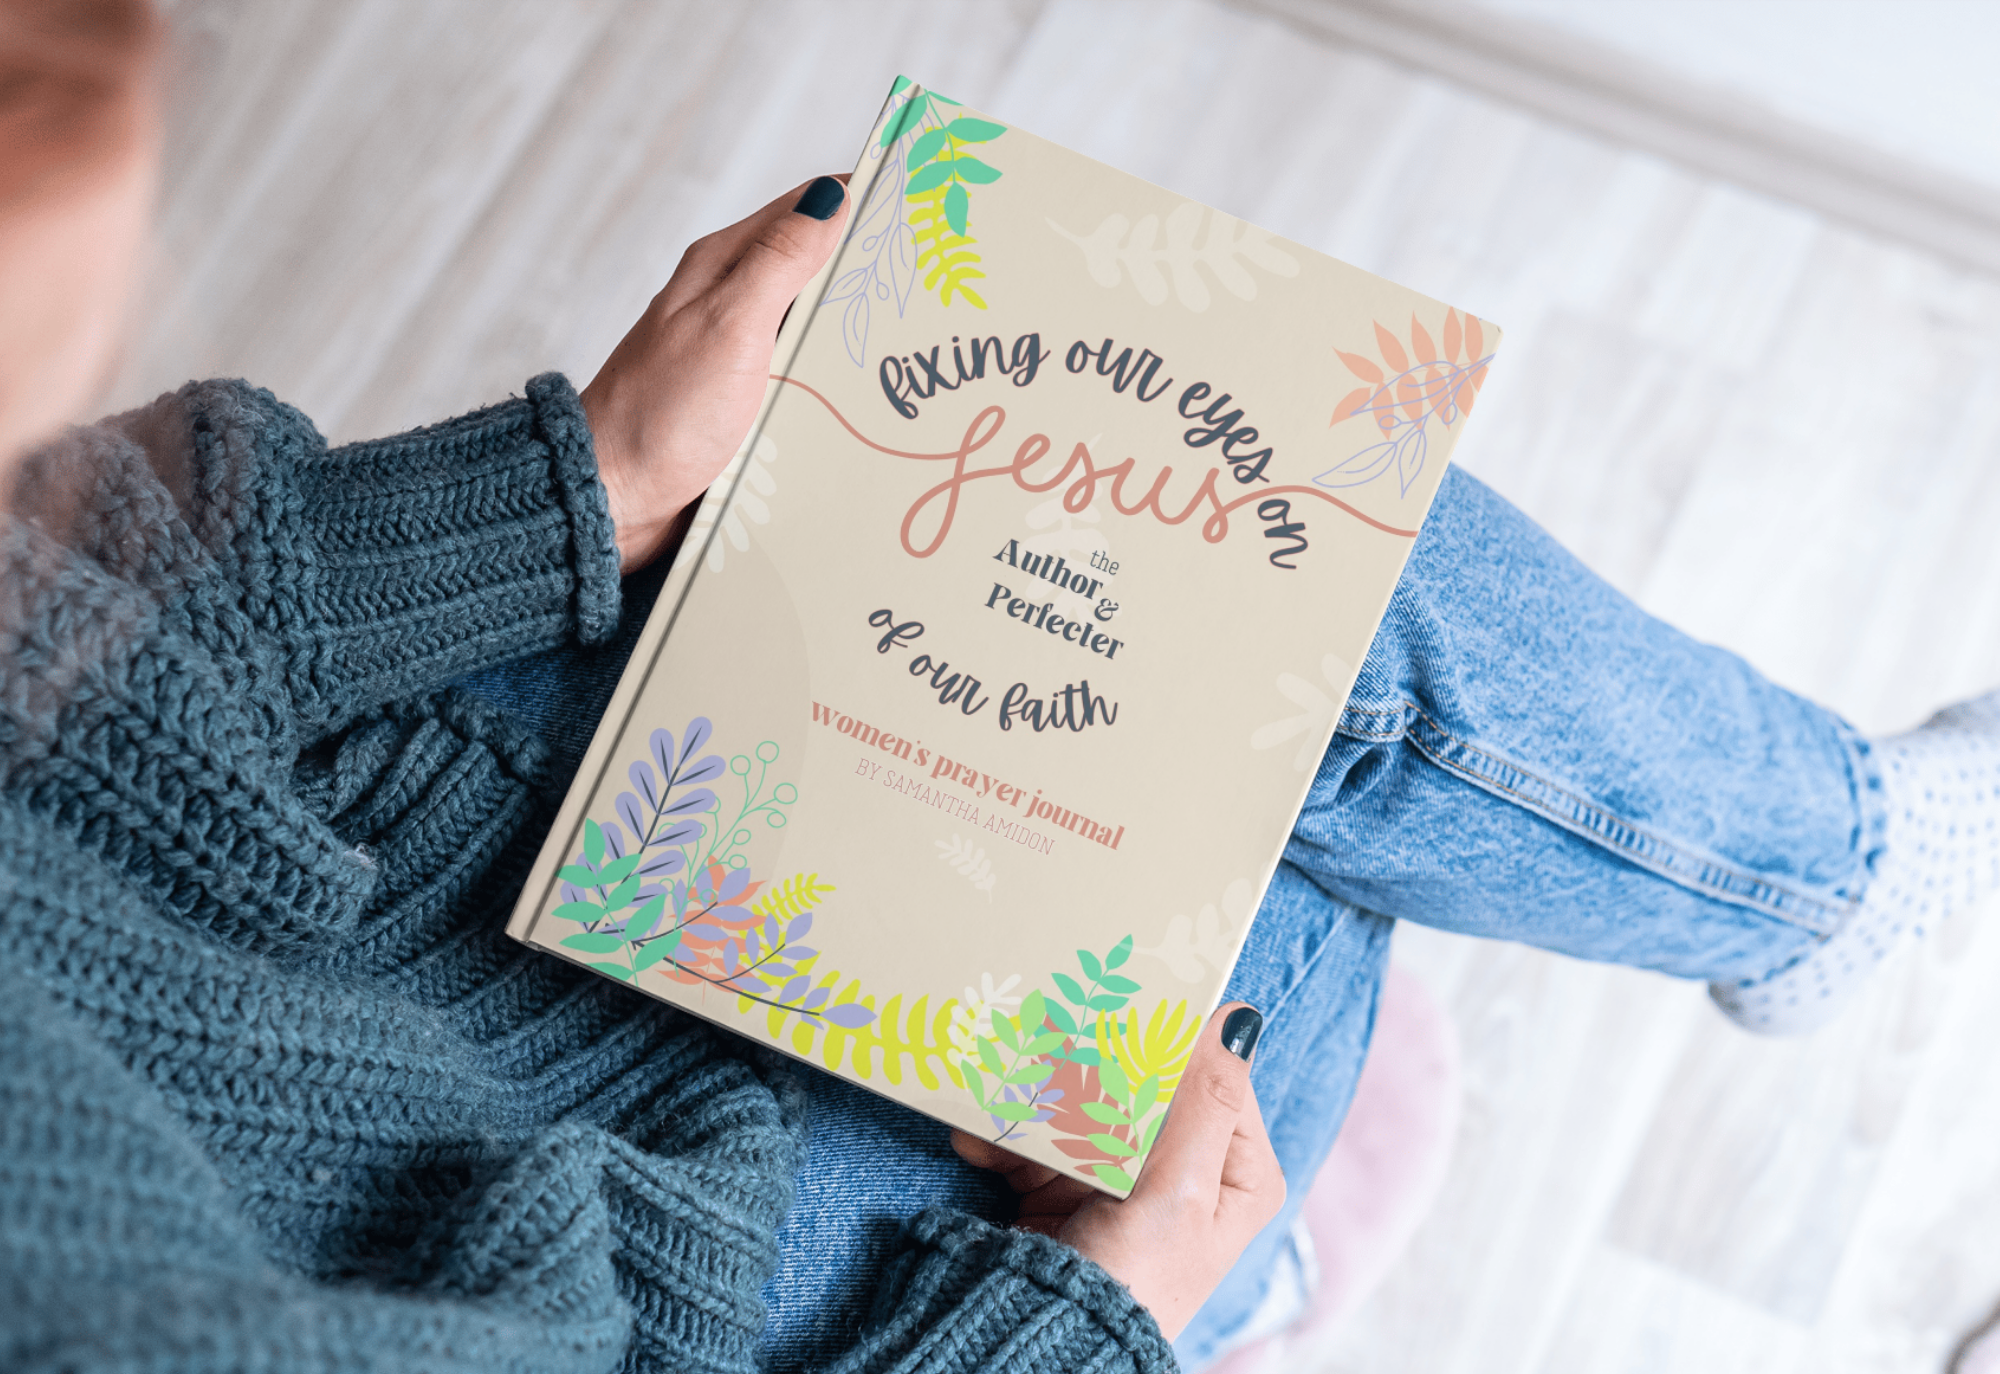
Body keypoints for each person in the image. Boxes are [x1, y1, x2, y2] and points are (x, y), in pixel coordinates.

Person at [6, 3, 2000, 1371]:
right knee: (1268, 902)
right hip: (649, 1281)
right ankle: (1259, 1266)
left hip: (364, 855)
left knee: (1210, 515)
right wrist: (1075, 1309)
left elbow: (76, 646)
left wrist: (573, 480)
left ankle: (1817, 870)